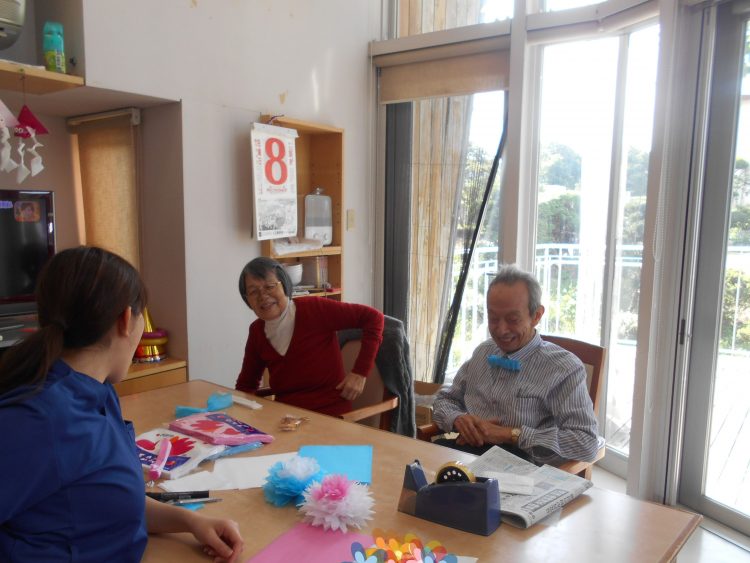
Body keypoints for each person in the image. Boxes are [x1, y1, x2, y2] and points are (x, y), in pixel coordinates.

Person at [0, 246, 244, 562]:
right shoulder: (37, 419)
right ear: (126, 319)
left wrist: (190, 522)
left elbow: (110, 501)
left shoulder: (99, 391)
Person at [432, 264, 600, 466]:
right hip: (464, 457)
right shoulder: (483, 352)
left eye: (512, 319)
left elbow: (585, 442)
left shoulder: (563, 368)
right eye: (493, 318)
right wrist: (458, 419)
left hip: (521, 469)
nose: (501, 330)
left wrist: (510, 434)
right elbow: (445, 399)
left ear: (536, 315)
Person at [235, 257, 384, 416]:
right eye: (253, 291)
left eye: (269, 286)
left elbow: (374, 318)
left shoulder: (314, 309)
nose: (263, 296)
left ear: (284, 284)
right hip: (286, 419)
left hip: (330, 416)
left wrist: (360, 373)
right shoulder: (257, 331)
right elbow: (246, 385)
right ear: (247, 299)